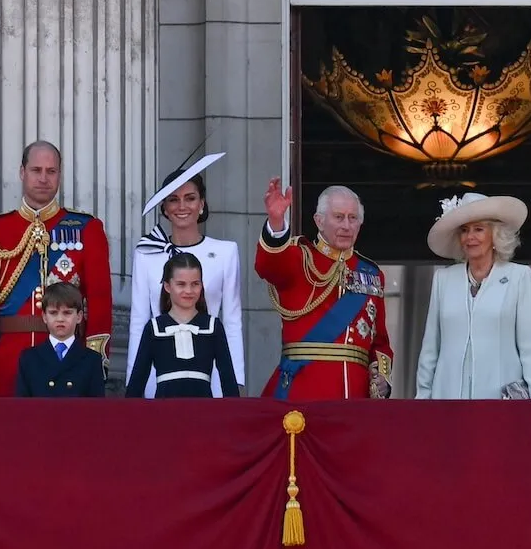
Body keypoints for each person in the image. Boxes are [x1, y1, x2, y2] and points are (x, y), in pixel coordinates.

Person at [0, 141, 112, 397]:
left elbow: (100, 304)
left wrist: (96, 368)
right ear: (22, 172)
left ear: (59, 174)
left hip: (71, 364)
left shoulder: (87, 229)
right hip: (9, 360)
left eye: (51, 171)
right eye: (36, 170)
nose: (44, 178)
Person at [255, 179, 393, 400]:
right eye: (338, 217)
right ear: (319, 221)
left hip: (356, 397)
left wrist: (382, 378)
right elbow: (268, 265)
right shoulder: (299, 259)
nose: (346, 226)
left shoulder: (372, 274)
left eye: (353, 218)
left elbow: (380, 341)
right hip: (304, 391)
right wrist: (276, 221)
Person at [127, 153, 244, 397]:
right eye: (173, 200)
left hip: (209, 373)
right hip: (159, 375)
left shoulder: (225, 252)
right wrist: (133, 384)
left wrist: (236, 381)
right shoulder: (146, 253)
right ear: (164, 208)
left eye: (190, 198)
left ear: (202, 204)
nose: (182, 206)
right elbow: (139, 321)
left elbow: (232, 321)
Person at [414, 192, 531, 399]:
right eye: (464, 230)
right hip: (447, 398)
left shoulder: (518, 277)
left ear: (495, 235)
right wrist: (422, 400)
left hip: (500, 399)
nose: (470, 237)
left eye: (479, 229)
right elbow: (430, 349)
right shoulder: (443, 279)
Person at [126, 252, 239, 398]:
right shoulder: (154, 328)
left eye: (195, 284)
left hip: (203, 414)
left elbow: (228, 380)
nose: (188, 291)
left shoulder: (213, 326)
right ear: (167, 286)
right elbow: (137, 382)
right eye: (181, 284)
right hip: (164, 414)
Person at [15, 282, 106, 397]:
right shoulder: (29, 358)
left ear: (79, 317)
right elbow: (22, 407)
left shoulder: (92, 360)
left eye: (67, 313)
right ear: (44, 317)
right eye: (53, 313)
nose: (60, 319)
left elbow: (96, 409)